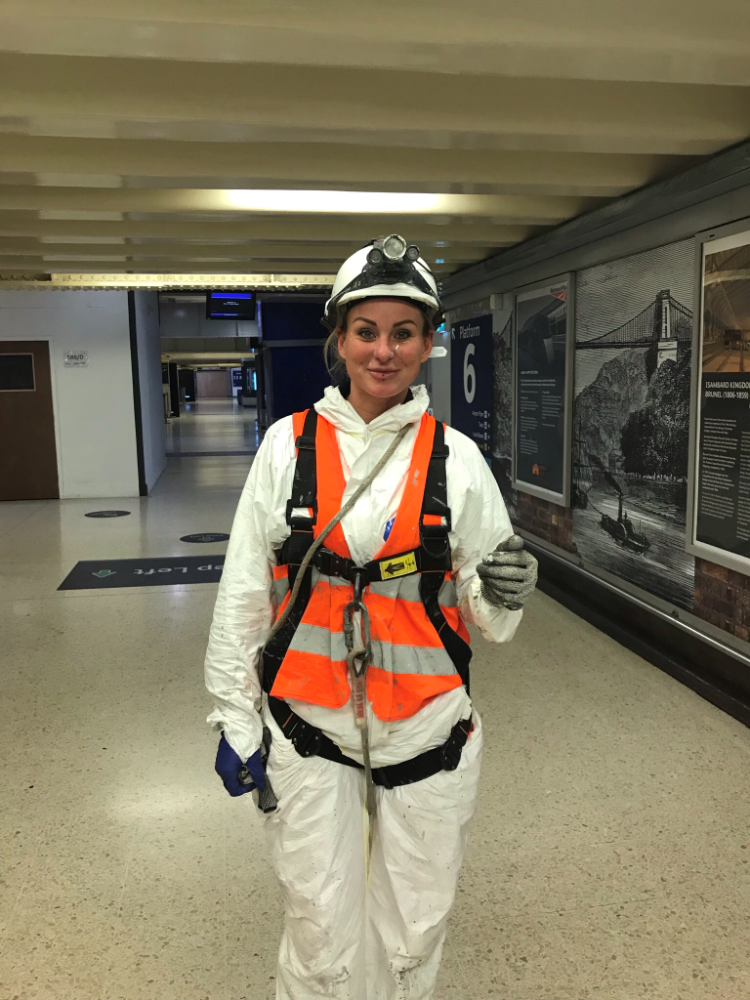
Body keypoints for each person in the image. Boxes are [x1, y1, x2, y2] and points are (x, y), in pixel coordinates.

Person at [204, 235, 538, 1000]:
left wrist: (506, 589)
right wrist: (235, 719)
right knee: (319, 932)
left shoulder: (457, 460)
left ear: (428, 343)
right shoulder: (284, 449)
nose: (382, 352)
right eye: (366, 331)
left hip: (429, 736)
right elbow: (243, 595)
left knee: (412, 936)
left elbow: (490, 614)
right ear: (339, 337)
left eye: (404, 333)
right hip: (308, 733)